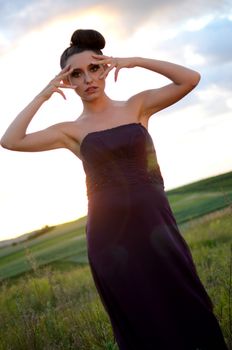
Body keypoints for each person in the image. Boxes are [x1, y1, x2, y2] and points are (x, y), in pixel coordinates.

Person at [1, 29, 228, 350]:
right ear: (67, 81)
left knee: (187, 303)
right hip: (110, 240)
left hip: (157, 226)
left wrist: (132, 61)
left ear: (105, 67)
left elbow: (190, 78)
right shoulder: (71, 131)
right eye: (75, 74)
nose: (87, 79)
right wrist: (44, 93)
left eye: (94, 68)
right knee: (140, 317)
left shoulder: (137, 106)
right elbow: (11, 140)